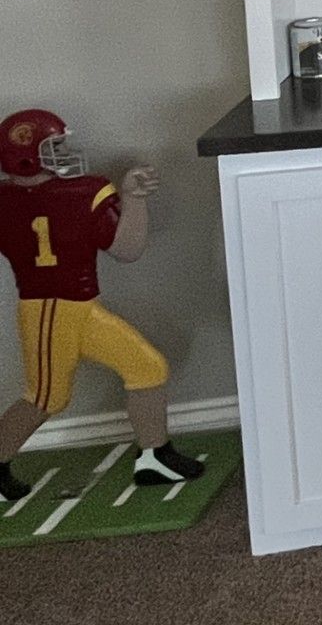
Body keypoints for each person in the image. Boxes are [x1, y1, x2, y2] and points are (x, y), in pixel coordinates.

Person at [0, 109, 204, 500]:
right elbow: (127, 250)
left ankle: (154, 458)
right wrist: (131, 197)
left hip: (81, 308)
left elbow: (126, 249)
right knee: (47, 398)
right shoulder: (80, 193)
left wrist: (133, 197)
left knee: (147, 367)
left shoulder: (33, 198)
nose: (63, 153)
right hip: (47, 311)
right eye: (53, 147)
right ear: (25, 154)